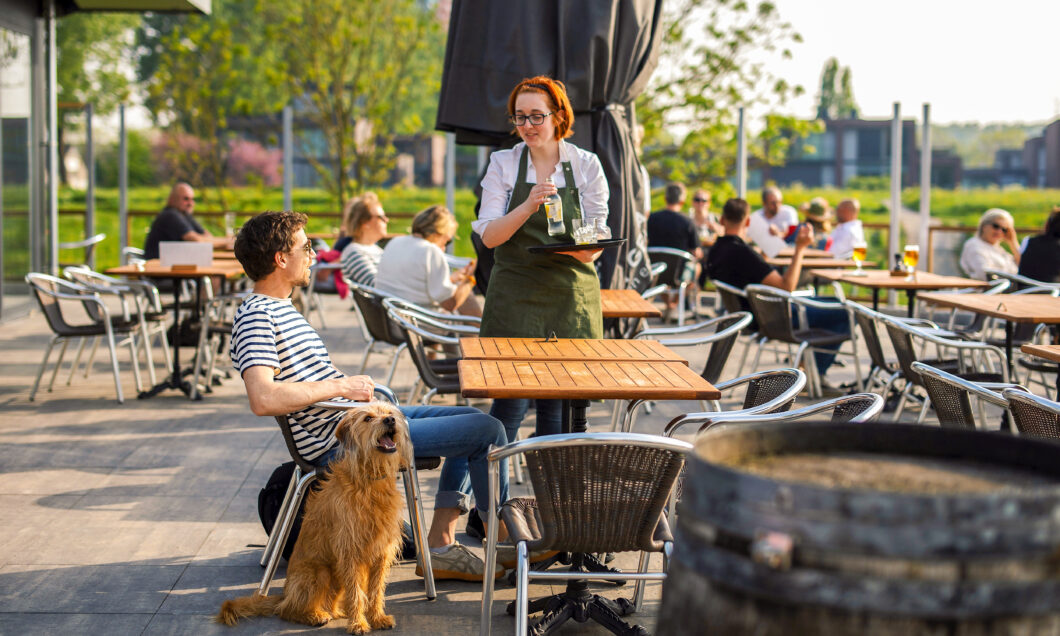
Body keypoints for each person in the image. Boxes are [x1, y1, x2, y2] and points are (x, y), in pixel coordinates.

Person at [230, 210, 511, 582]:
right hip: (345, 443)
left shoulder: (281, 308)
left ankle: (443, 545)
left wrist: (356, 393)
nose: (313, 254)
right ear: (281, 259)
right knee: (488, 431)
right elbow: (263, 398)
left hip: (361, 420)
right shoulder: (256, 316)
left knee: (472, 419)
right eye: (306, 247)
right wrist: (342, 387)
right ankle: (503, 545)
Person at [473, 75, 608, 450]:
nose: (527, 126)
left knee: (559, 407)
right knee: (508, 407)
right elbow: (490, 236)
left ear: (557, 116)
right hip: (515, 292)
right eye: (519, 117)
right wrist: (529, 204)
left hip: (570, 296)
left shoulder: (585, 165)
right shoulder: (503, 162)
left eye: (536, 116)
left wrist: (586, 249)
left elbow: (596, 237)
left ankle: (548, 504)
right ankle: (483, 501)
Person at [706, 198, 849, 394]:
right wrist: (800, 248)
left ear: (722, 220)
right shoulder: (742, 254)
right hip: (774, 318)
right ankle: (816, 376)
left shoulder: (716, 251)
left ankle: (806, 370)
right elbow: (786, 286)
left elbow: (751, 273)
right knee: (845, 311)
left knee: (834, 304)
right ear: (747, 222)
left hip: (751, 315)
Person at [375, 205, 481, 316]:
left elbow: (412, 284)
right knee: (466, 296)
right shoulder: (430, 251)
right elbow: (450, 304)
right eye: (447, 241)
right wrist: (470, 278)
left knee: (460, 289)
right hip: (420, 324)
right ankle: (483, 331)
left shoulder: (395, 242)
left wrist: (451, 279)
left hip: (392, 318)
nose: (444, 247)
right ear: (438, 233)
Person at [648, 182, 703, 314]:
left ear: (665, 198)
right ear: (683, 201)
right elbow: (697, 252)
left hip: (656, 271)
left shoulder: (652, 219)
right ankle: (675, 302)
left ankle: (668, 303)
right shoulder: (687, 222)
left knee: (659, 276)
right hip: (678, 274)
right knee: (697, 268)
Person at [144, 182, 234, 259]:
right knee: (214, 272)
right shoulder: (170, 215)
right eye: (186, 199)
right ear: (172, 199)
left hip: (179, 266)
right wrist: (230, 240)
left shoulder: (185, 215)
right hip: (160, 270)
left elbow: (208, 237)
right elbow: (197, 241)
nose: (191, 203)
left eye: (192, 199)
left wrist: (227, 241)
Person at [339, 192, 389, 287]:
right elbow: (376, 285)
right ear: (364, 222)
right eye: (381, 217)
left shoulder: (375, 249)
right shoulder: (354, 251)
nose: (386, 220)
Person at [959, 208, 1020, 281]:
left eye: (1004, 230)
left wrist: (1013, 243)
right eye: (996, 226)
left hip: (1009, 289)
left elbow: (1023, 267)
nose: (999, 231)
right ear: (984, 226)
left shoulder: (999, 249)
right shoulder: (974, 245)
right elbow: (985, 275)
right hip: (988, 290)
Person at [746, 185, 799, 258]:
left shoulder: (789, 212)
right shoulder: (755, 218)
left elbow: (793, 233)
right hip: (765, 255)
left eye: (779, 202)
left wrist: (779, 234)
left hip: (788, 252)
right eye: (773, 203)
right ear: (764, 203)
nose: (777, 205)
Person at [1018, 206, 1060, 284]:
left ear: (1048, 224)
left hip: (1025, 290)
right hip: (1052, 292)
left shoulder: (1028, 241)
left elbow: (1019, 262)